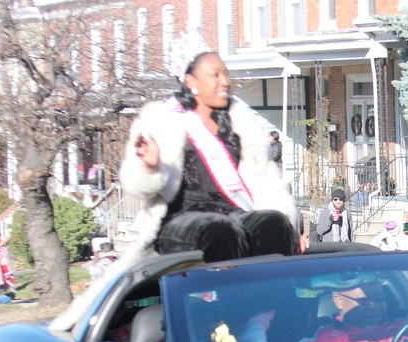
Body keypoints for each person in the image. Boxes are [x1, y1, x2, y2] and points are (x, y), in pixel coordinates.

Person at [118, 51, 300, 264]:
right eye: (215, 75)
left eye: (226, 75)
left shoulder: (239, 120)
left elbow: (264, 178)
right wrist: (149, 167)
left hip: (234, 211)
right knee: (220, 230)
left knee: (273, 222)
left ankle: (270, 295)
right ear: (191, 81)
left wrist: (289, 226)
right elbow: (135, 185)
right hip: (180, 217)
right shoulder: (160, 119)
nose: (225, 82)